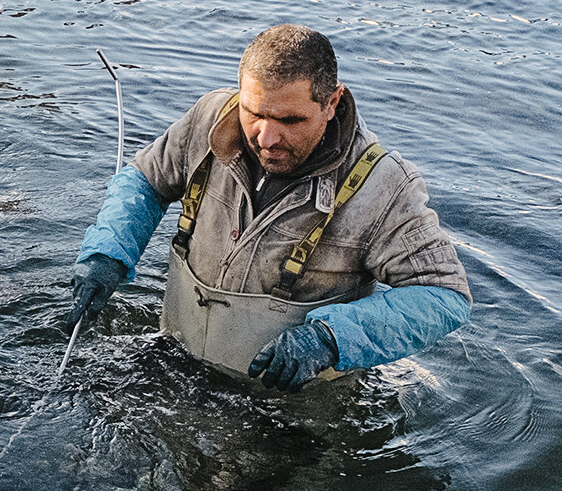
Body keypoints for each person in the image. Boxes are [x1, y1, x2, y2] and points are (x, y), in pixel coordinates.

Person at [69, 25, 470, 390]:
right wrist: (108, 252)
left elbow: (443, 295)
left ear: (332, 102)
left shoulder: (384, 186)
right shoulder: (210, 118)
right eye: (254, 113)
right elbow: (146, 180)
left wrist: (330, 339)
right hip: (176, 365)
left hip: (288, 409)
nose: (267, 138)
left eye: (290, 120)